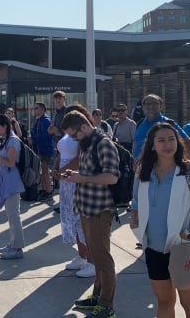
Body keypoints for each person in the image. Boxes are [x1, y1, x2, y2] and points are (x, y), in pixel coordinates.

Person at [129, 122, 190, 318]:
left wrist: (188, 233)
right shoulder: (142, 172)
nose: (167, 144)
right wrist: (134, 220)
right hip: (154, 249)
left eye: (171, 139)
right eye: (161, 140)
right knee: (165, 302)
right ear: (152, 145)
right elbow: (135, 203)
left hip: (184, 249)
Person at [60, 110, 120, 318]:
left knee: (102, 257)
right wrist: (75, 176)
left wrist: (81, 178)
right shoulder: (86, 144)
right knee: (94, 255)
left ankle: (106, 304)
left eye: (74, 135)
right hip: (86, 207)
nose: (73, 139)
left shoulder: (103, 143)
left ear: (83, 128)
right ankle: (97, 296)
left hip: (99, 209)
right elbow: (88, 174)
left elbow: (112, 177)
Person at [53, 104, 94, 278]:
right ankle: (82, 255)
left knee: (82, 222)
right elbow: (61, 152)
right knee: (72, 219)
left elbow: (79, 159)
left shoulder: (84, 137)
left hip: (75, 178)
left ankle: (92, 261)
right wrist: (56, 170)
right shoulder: (69, 133)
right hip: (66, 181)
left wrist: (62, 172)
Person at [0, 114, 26, 259]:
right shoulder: (7, 140)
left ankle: (17, 248)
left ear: (6, 126)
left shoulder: (12, 141)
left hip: (12, 181)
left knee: (14, 215)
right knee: (11, 215)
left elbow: (11, 163)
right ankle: (14, 244)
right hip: (7, 180)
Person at [132, 94, 190, 161]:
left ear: (161, 106)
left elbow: (188, 143)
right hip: (139, 166)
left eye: (155, 103)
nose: (151, 106)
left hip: (159, 166)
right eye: (148, 103)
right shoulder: (140, 123)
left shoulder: (168, 123)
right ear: (143, 107)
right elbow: (136, 143)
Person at [29, 102, 55, 199]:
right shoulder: (38, 120)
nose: (35, 110)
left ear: (43, 109)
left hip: (45, 150)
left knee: (45, 171)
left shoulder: (46, 121)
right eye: (34, 108)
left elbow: (44, 136)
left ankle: (48, 190)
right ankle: (44, 189)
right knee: (41, 171)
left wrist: (33, 138)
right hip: (39, 149)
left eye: (37, 108)